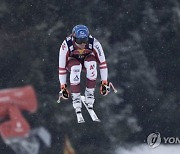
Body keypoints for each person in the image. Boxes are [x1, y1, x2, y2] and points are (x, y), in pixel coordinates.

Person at [58, 24, 110, 114]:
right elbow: (62, 68)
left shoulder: (94, 42)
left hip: (87, 61)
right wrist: (63, 86)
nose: (82, 44)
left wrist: (104, 82)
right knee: (76, 67)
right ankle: (76, 97)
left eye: (85, 40)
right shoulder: (66, 44)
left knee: (92, 63)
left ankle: (90, 93)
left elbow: (103, 63)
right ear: (74, 38)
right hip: (73, 62)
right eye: (79, 40)